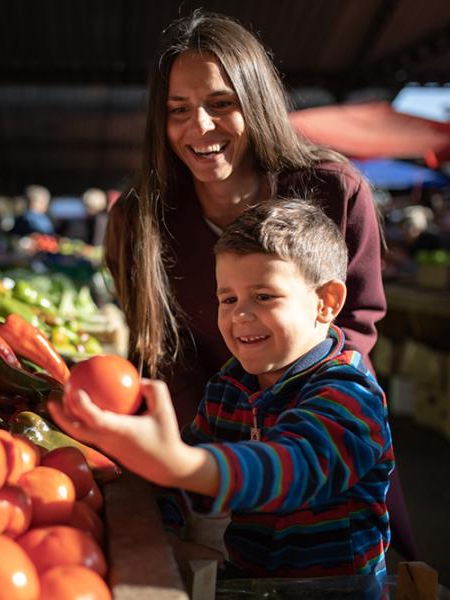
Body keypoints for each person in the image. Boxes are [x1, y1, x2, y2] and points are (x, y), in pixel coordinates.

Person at [103, 10, 416, 560]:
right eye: (177, 110)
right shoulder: (139, 218)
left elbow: (358, 323)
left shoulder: (333, 188)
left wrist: (275, 415)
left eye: (221, 103)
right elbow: (159, 351)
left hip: (324, 468)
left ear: (257, 98)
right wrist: (186, 479)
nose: (198, 127)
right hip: (206, 455)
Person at [51, 200, 394, 578]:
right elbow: (183, 477)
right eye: (227, 299)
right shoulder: (229, 387)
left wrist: (182, 466)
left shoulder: (350, 394)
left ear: (326, 302)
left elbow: (293, 469)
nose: (239, 315)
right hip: (252, 582)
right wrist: (162, 532)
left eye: (264, 296)